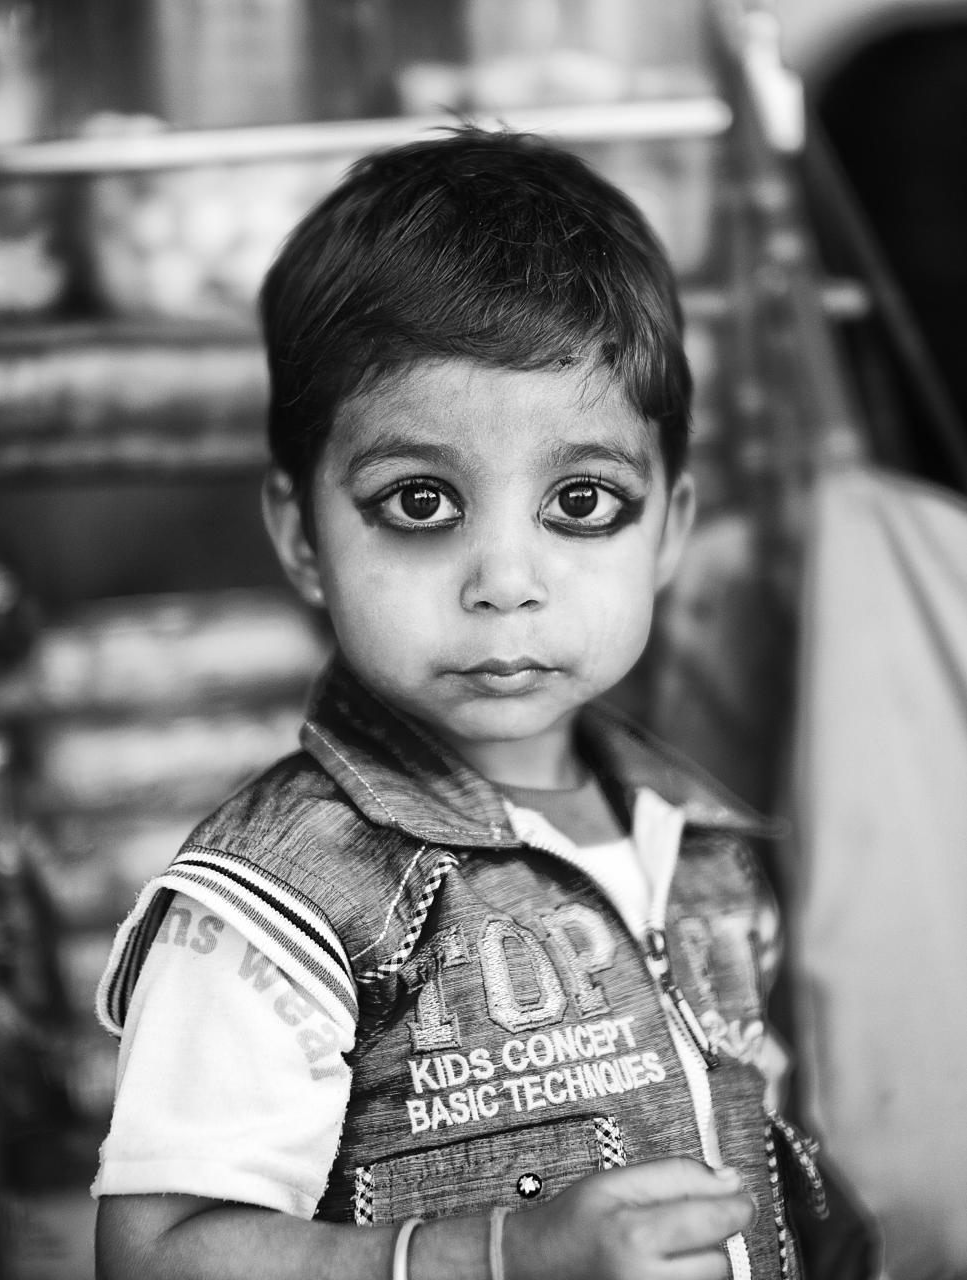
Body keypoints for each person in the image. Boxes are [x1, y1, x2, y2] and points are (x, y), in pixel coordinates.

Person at [91, 128, 828, 1280]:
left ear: (669, 526)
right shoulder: (279, 904)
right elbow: (157, 1254)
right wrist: (496, 1255)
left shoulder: (709, 842)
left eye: (580, 499)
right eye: (420, 499)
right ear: (300, 534)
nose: (503, 578)